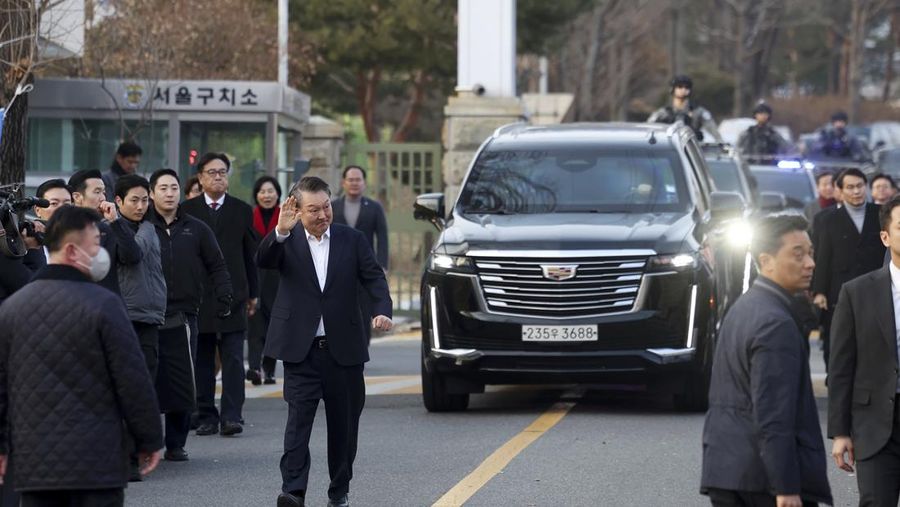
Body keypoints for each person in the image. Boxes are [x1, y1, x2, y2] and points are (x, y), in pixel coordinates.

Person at [0, 205, 163, 506]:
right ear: (74, 251)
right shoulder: (105, 305)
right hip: (97, 463)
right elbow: (132, 379)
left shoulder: (12, 308)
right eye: (96, 245)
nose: (102, 253)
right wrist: (149, 439)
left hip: (34, 465)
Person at [257, 176, 392, 507]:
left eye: (326, 206)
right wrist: (280, 231)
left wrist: (381, 310)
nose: (322, 215)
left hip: (343, 351)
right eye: (313, 209)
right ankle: (293, 491)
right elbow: (263, 261)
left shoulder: (352, 239)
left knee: (344, 428)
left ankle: (338, 491)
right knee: (297, 425)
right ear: (297, 209)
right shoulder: (285, 239)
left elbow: (373, 277)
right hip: (301, 351)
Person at [701, 214, 832, 507]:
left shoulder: (745, 307)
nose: (810, 263)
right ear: (766, 260)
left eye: (810, 253)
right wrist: (785, 487)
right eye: (797, 254)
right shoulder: (776, 322)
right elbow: (773, 412)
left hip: (728, 467)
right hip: (762, 481)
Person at [148, 169, 233, 462]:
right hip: (146, 316)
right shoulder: (141, 226)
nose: (170, 193)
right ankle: (145, 443)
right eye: (163, 188)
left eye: (174, 187)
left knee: (182, 382)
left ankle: (175, 443)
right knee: (146, 380)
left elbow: (217, 264)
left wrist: (225, 295)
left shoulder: (196, 228)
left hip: (184, 316)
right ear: (151, 193)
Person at [829, 195, 900, 506]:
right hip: (875, 425)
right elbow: (842, 367)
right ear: (885, 237)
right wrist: (840, 431)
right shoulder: (857, 292)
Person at [182, 152, 259, 437]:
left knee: (234, 358)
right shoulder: (186, 210)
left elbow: (250, 254)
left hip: (235, 293)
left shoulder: (241, 210)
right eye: (212, 172)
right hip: (198, 294)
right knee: (202, 358)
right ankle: (206, 414)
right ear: (200, 177)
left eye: (222, 172)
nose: (218, 177)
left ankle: (231, 415)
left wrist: (254, 292)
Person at [114, 174, 166, 480]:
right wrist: (115, 224)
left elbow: (133, 254)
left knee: (143, 387)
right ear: (118, 201)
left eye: (145, 200)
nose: (141, 205)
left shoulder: (148, 228)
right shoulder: (109, 228)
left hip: (147, 318)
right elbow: (127, 255)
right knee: (123, 389)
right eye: (134, 200)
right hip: (121, 318)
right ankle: (125, 456)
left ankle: (137, 454)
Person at [812, 168, 885, 373]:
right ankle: (835, 379)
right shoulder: (827, 219)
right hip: (839, 289)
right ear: (840, 191)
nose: (856, 192)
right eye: (850, 187)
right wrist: (819, 291)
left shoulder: (879, 214)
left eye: (860, 186)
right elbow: (822, 256)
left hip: (875, 287)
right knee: (837, 341)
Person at [332, 166, 389, 344]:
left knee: (364, 309)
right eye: (351, 180)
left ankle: (363, 345)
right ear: (344, 182)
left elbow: (382, 237)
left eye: (358, 180)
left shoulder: (374, 207)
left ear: (364, 183)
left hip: (365, 267)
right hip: (337, 266)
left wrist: (382, 265)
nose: (354, 183)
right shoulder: (333, 207)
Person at [67, 169, 142, 296]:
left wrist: (115, 221)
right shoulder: (62, 230)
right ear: (77, 197)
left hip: (105, 303)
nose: (103, 198)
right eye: (97, 192)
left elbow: (132, 257)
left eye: (104, 192)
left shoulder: (108, 229)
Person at [247, 175, 281, 385]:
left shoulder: (286, 218)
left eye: (271, 191)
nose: (266, 195)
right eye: (262, 192)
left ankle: (269, 369)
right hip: (255, 276)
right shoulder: (248, 217)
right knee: (255, 326)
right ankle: (253, 368)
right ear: (256, 195)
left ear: (278, 194)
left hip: (279, 279)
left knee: (274, 327)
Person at [648, 74, 723, 142]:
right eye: (680, 86)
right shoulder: (663, 113)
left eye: (687, 87)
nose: (683, 90)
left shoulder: (698, 112)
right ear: (673, 89)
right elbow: (647, 129)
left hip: (692, 150)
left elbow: (715, 134)